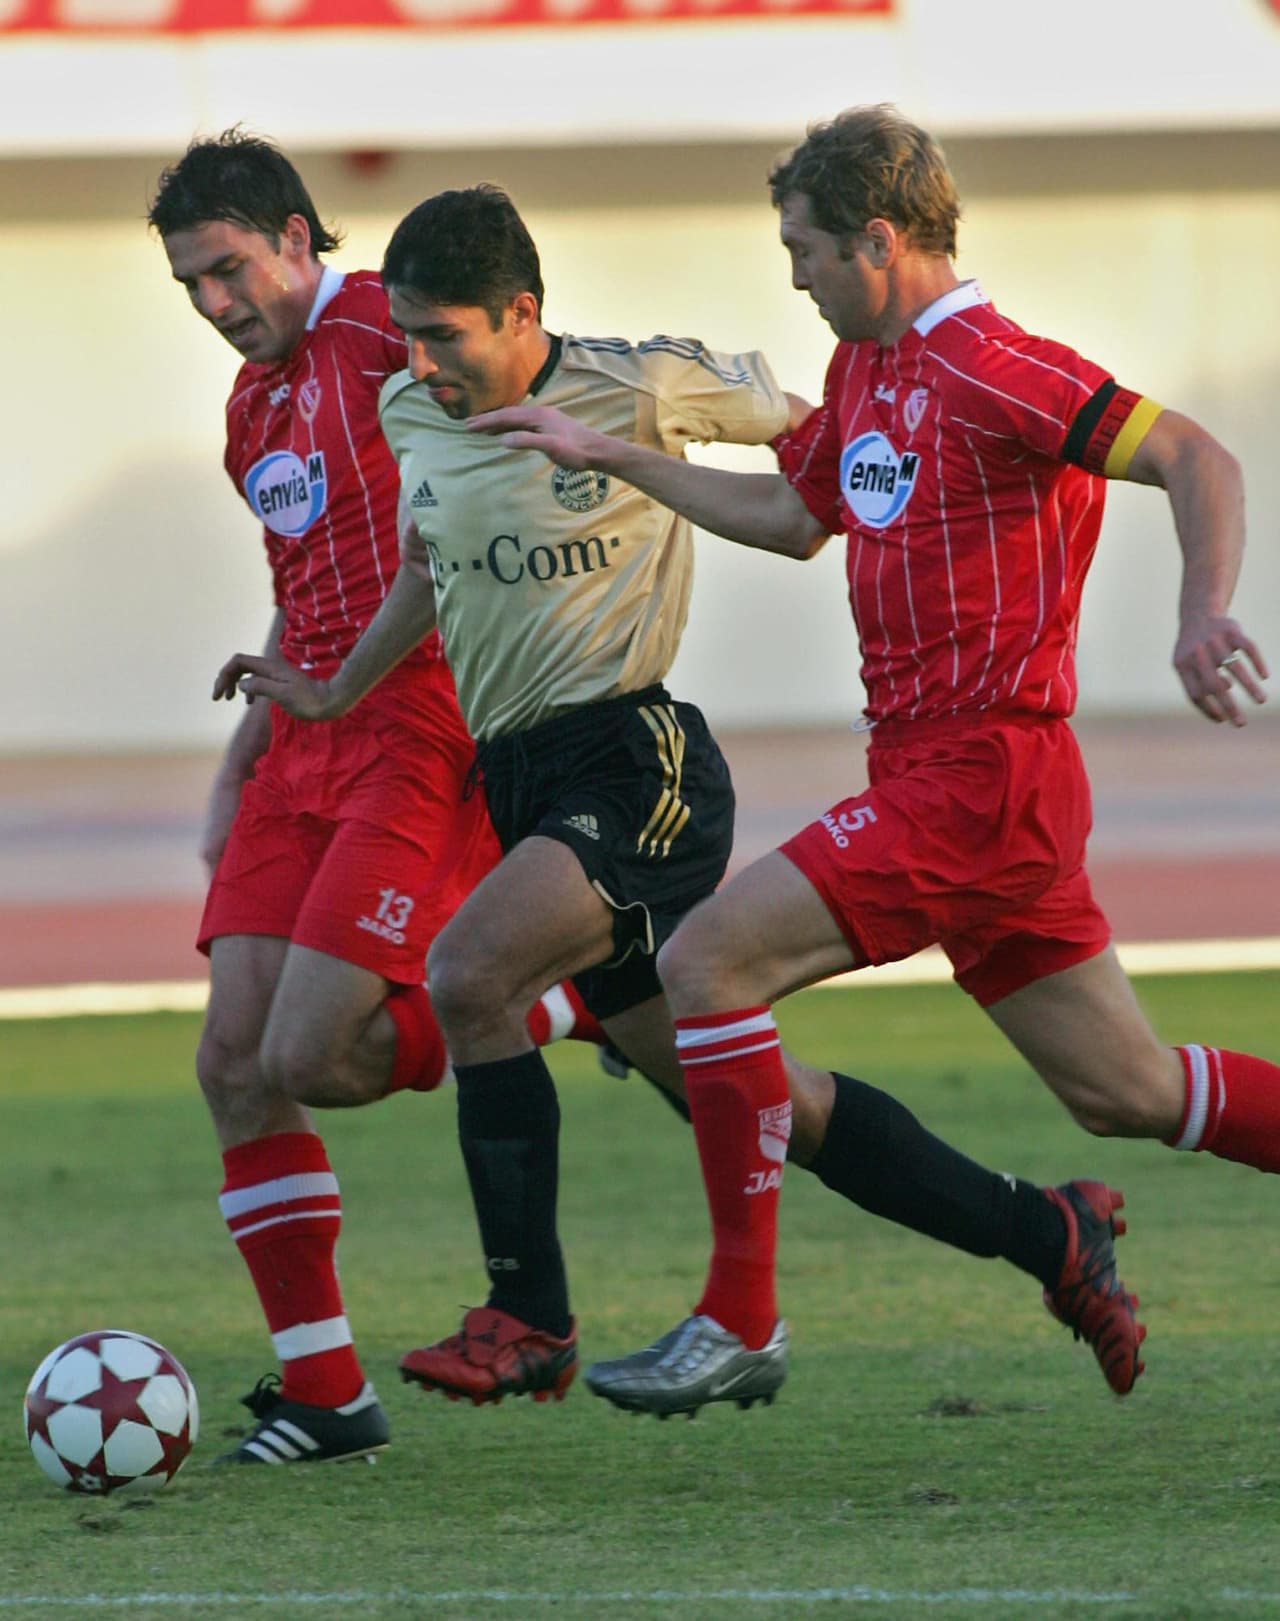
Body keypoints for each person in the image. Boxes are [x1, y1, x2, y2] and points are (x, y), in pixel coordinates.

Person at [221, 181, 1150, 1416]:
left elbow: (833, 431)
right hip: (519, 777)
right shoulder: (410, 406)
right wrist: (334, 690)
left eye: (445, 336)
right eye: (406, 336)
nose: (421, 363)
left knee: (464, 972)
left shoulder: (641, 383)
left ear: (518, 312)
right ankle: (1049, 1233)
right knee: (778, 1105)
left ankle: (528, 1316)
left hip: (636, 760)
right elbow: (426, 567)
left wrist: (921, 528)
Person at [466, 105, 1277, 1416]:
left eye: (802, 249)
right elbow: (795, 519)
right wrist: (620, 454)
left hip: (985, 774)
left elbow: (1197, 456)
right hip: (938, 781)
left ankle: (740, 1318)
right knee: (1125, 1091)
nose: (791, 273)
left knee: (701, 962)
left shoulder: (995, 365)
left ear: (879, 240)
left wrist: (1202, 612)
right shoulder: (867, 374)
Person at [147, 133, 607, 1465]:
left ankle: (552, 996)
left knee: (313, 1055)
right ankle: (329, 1394)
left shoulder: (386, 341)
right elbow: (308, 586)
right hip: (307, 737)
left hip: (419, 722)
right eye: (190, 285)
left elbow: (503, 470)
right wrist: (245, 761)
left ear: (298, 237)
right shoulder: (253, 413)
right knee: (234, 1063)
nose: (216, 304)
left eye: (230, 269)